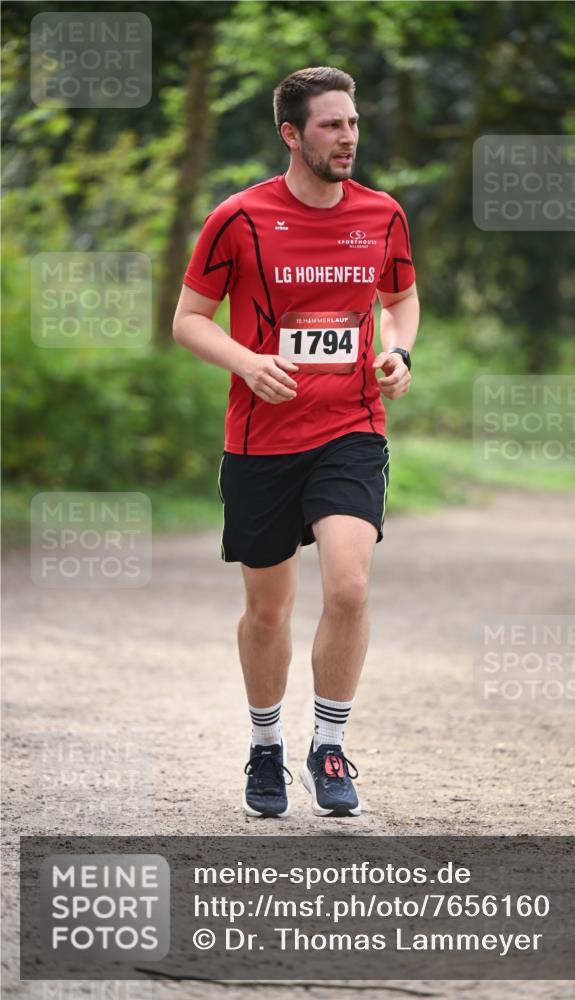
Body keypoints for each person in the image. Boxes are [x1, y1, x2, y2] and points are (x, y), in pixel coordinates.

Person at [172, 67, 419, 817]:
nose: (347, 137)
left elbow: (399, 300)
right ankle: (265, 748)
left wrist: (398, 353)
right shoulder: (238, 219)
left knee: (349, 586)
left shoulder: (381, 215)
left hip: (350, 426)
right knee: (269, 610)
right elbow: (188, 319)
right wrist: (247, 361)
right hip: (261, 438)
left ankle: (330, 744)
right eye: (330, 126)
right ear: (291, 133)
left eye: (351, 123)